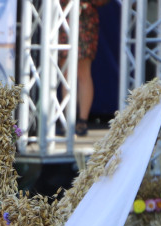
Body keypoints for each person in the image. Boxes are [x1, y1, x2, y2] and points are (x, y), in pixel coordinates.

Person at [62, 0, 111, 136]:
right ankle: (68, 120)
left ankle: (82, 120)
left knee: (83, 71)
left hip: (84, 17)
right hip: (62, 15)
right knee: (66, 72)